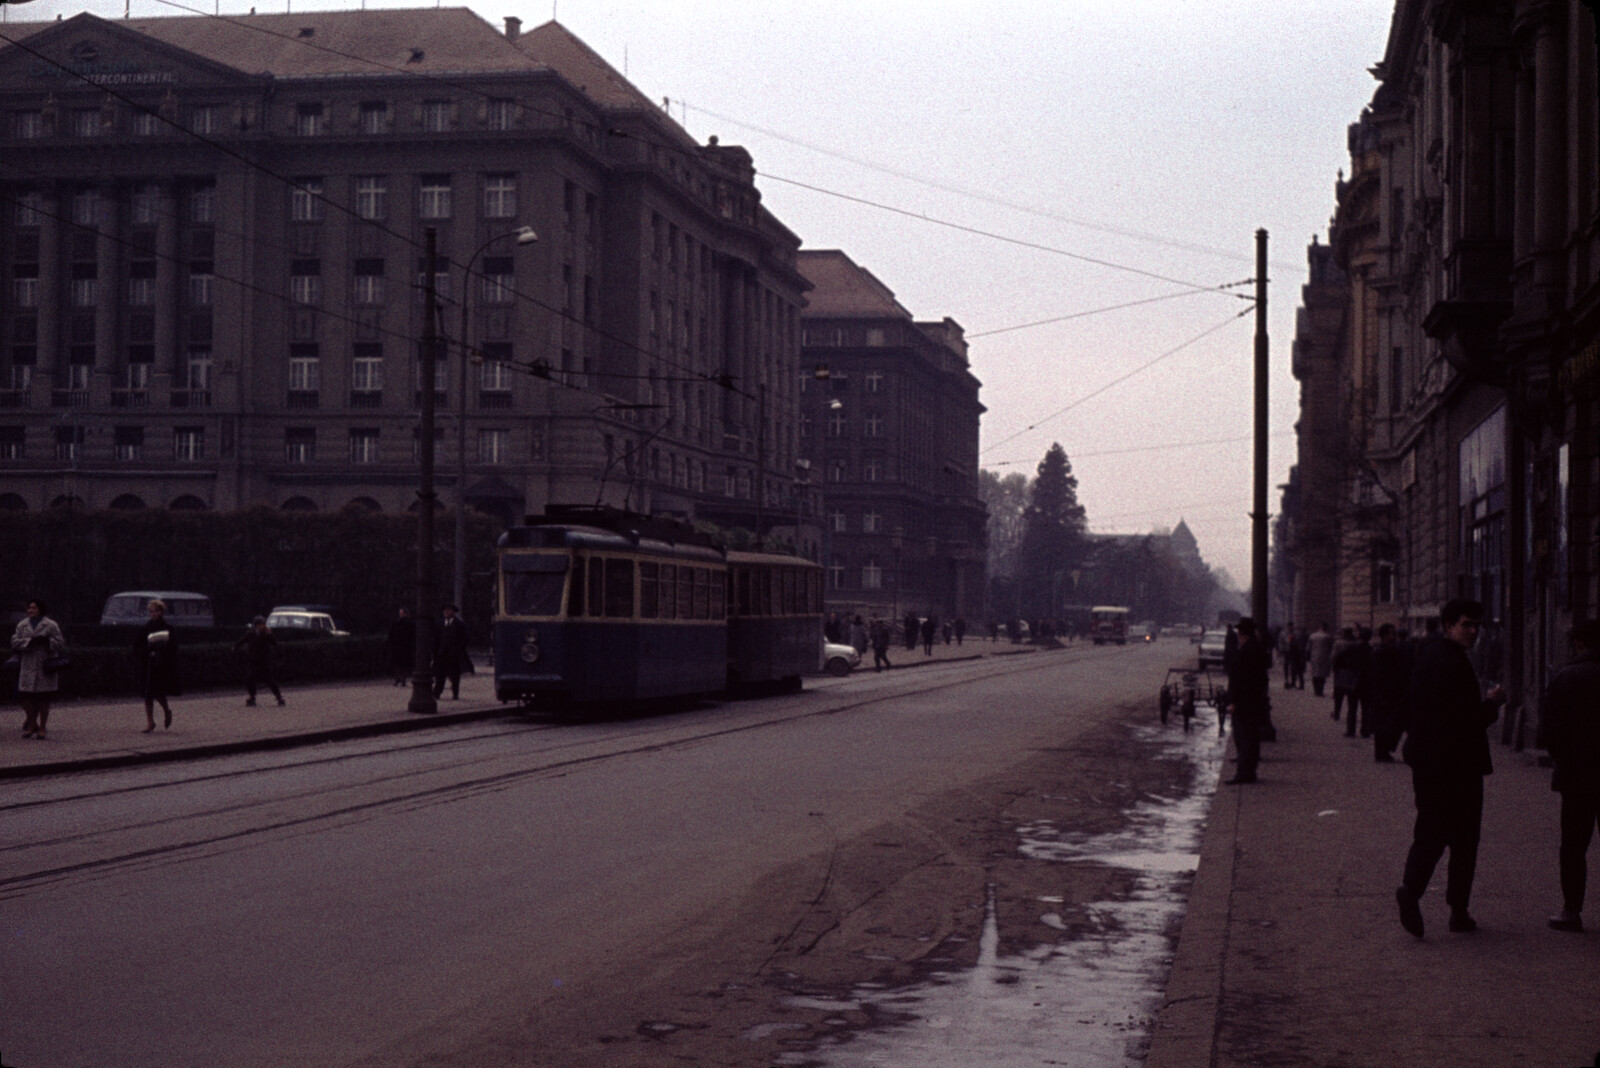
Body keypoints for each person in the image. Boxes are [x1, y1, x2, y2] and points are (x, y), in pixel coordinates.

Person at [1395, 598, 1506, 938]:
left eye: (1476, 625)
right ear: (1447, 625)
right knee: (1464, 841)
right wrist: (1492, 704)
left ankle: (1412, 891)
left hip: (1428, 763)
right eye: (1466, 625)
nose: (1473, 631)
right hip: (1458, 767)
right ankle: (1458, 910)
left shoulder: (1429, 656)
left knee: (1430, 832)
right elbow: (1466, 722)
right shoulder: (1454, 663)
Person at [1540, 619, 1600, 933]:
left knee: (1573, 846)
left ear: (1577, 644)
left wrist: (1564, 760)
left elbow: (1549, 730)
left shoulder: (1565, 677)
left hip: (1577, 778)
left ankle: (1571, 911)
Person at [11, 598, 65, 740]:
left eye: (34, 608)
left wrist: (48, 642)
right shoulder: (22, 625)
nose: (31, 611)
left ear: (40, 609)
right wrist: (28, 642)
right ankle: (32, 723)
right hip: (28, 664)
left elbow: (60, 642)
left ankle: (42, 727)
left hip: (44, 665)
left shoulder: (51, 625)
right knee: (25, 696)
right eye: (29, 608)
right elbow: (14, 641)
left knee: (44, 699)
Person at [1224, 616, 1270, 784]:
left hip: (1244, 703)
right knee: (1251, 737)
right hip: (1253, 700)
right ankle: (1249, 771)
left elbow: (1240, 680)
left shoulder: (1246, 652)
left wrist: (1233, 702)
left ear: (1242, 634)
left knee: (1245, 738)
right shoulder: (1256, 649)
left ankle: (1244, 773)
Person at [134, 598, 181, 732]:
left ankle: (166, 711)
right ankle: (150, 722)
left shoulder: (168, 629)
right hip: (148, 665)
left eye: (157, 611)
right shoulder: (145, 629)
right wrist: (147, 651)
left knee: (159, 693)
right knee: (147, 694)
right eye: (152, 612)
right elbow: (136, 648)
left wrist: (164, 652)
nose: (154, 614)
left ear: (162, 612)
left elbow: (174, 648)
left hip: (161, 666)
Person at [1369, 623, 1408, 762]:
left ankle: (1383, 751)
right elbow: (1377, 676)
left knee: (1389, 724)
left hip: (1391, 694)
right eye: (1391, 633)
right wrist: (1381, 696)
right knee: (1384, 725)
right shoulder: (1380, 652)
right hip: (1384, 695)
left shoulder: (1391, 650)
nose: (1394, 636)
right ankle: (1381, 753)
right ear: (1384, 635)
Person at [233, 615, 285, 707]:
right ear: (256, 625)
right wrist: (235, 647)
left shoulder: (267, 634)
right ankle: (251, 697)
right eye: (261, 624)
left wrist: (271, 635)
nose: (264, 626)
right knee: (250, 678)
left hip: (264, 661)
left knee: (269, 679)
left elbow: (274, 644)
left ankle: (279, 696)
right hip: (253, 660)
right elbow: (242, 641)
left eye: (264, 624)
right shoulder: (251, 633)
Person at [431, 603, 471, 700]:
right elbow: (436, 638)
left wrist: (458, 649)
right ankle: (437, 693)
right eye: (445, 610)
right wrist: (434, 652)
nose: (446, 612)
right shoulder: (440, 623)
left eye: (448, 610)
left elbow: (465, 638)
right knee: (440, 674)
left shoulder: (459, 624)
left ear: (453, 612)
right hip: (442, 653)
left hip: (454, 655)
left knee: (455, 675)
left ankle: (455, 693)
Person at [1331, 627, 1363, 735]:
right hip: (1355, 675)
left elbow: (1334, 657)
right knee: (1352, 701)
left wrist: (1335, 669)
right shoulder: (1357, 644)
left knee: (1338, 695)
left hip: (1342, 673)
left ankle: (1336, 713)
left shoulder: (1339, 643)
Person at [386, 606, 416, 686]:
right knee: (397, 664)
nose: (401, 615)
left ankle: (402, 679)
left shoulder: (409, 623)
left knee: (402, 664)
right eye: (400, 613)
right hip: (398, 645)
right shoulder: (396, 623)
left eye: (402, 613)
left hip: (404, 646)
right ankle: (398, 678)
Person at [1307, 621, 1334, 697]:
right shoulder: (1328, 637)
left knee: (1315, 673)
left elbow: (1308, 648)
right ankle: (1320, 690)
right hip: (1324, 657)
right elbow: (1331, 648)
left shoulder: (1312, 636)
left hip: (1314, 657)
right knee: (1322, 674)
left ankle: (1316, 690)